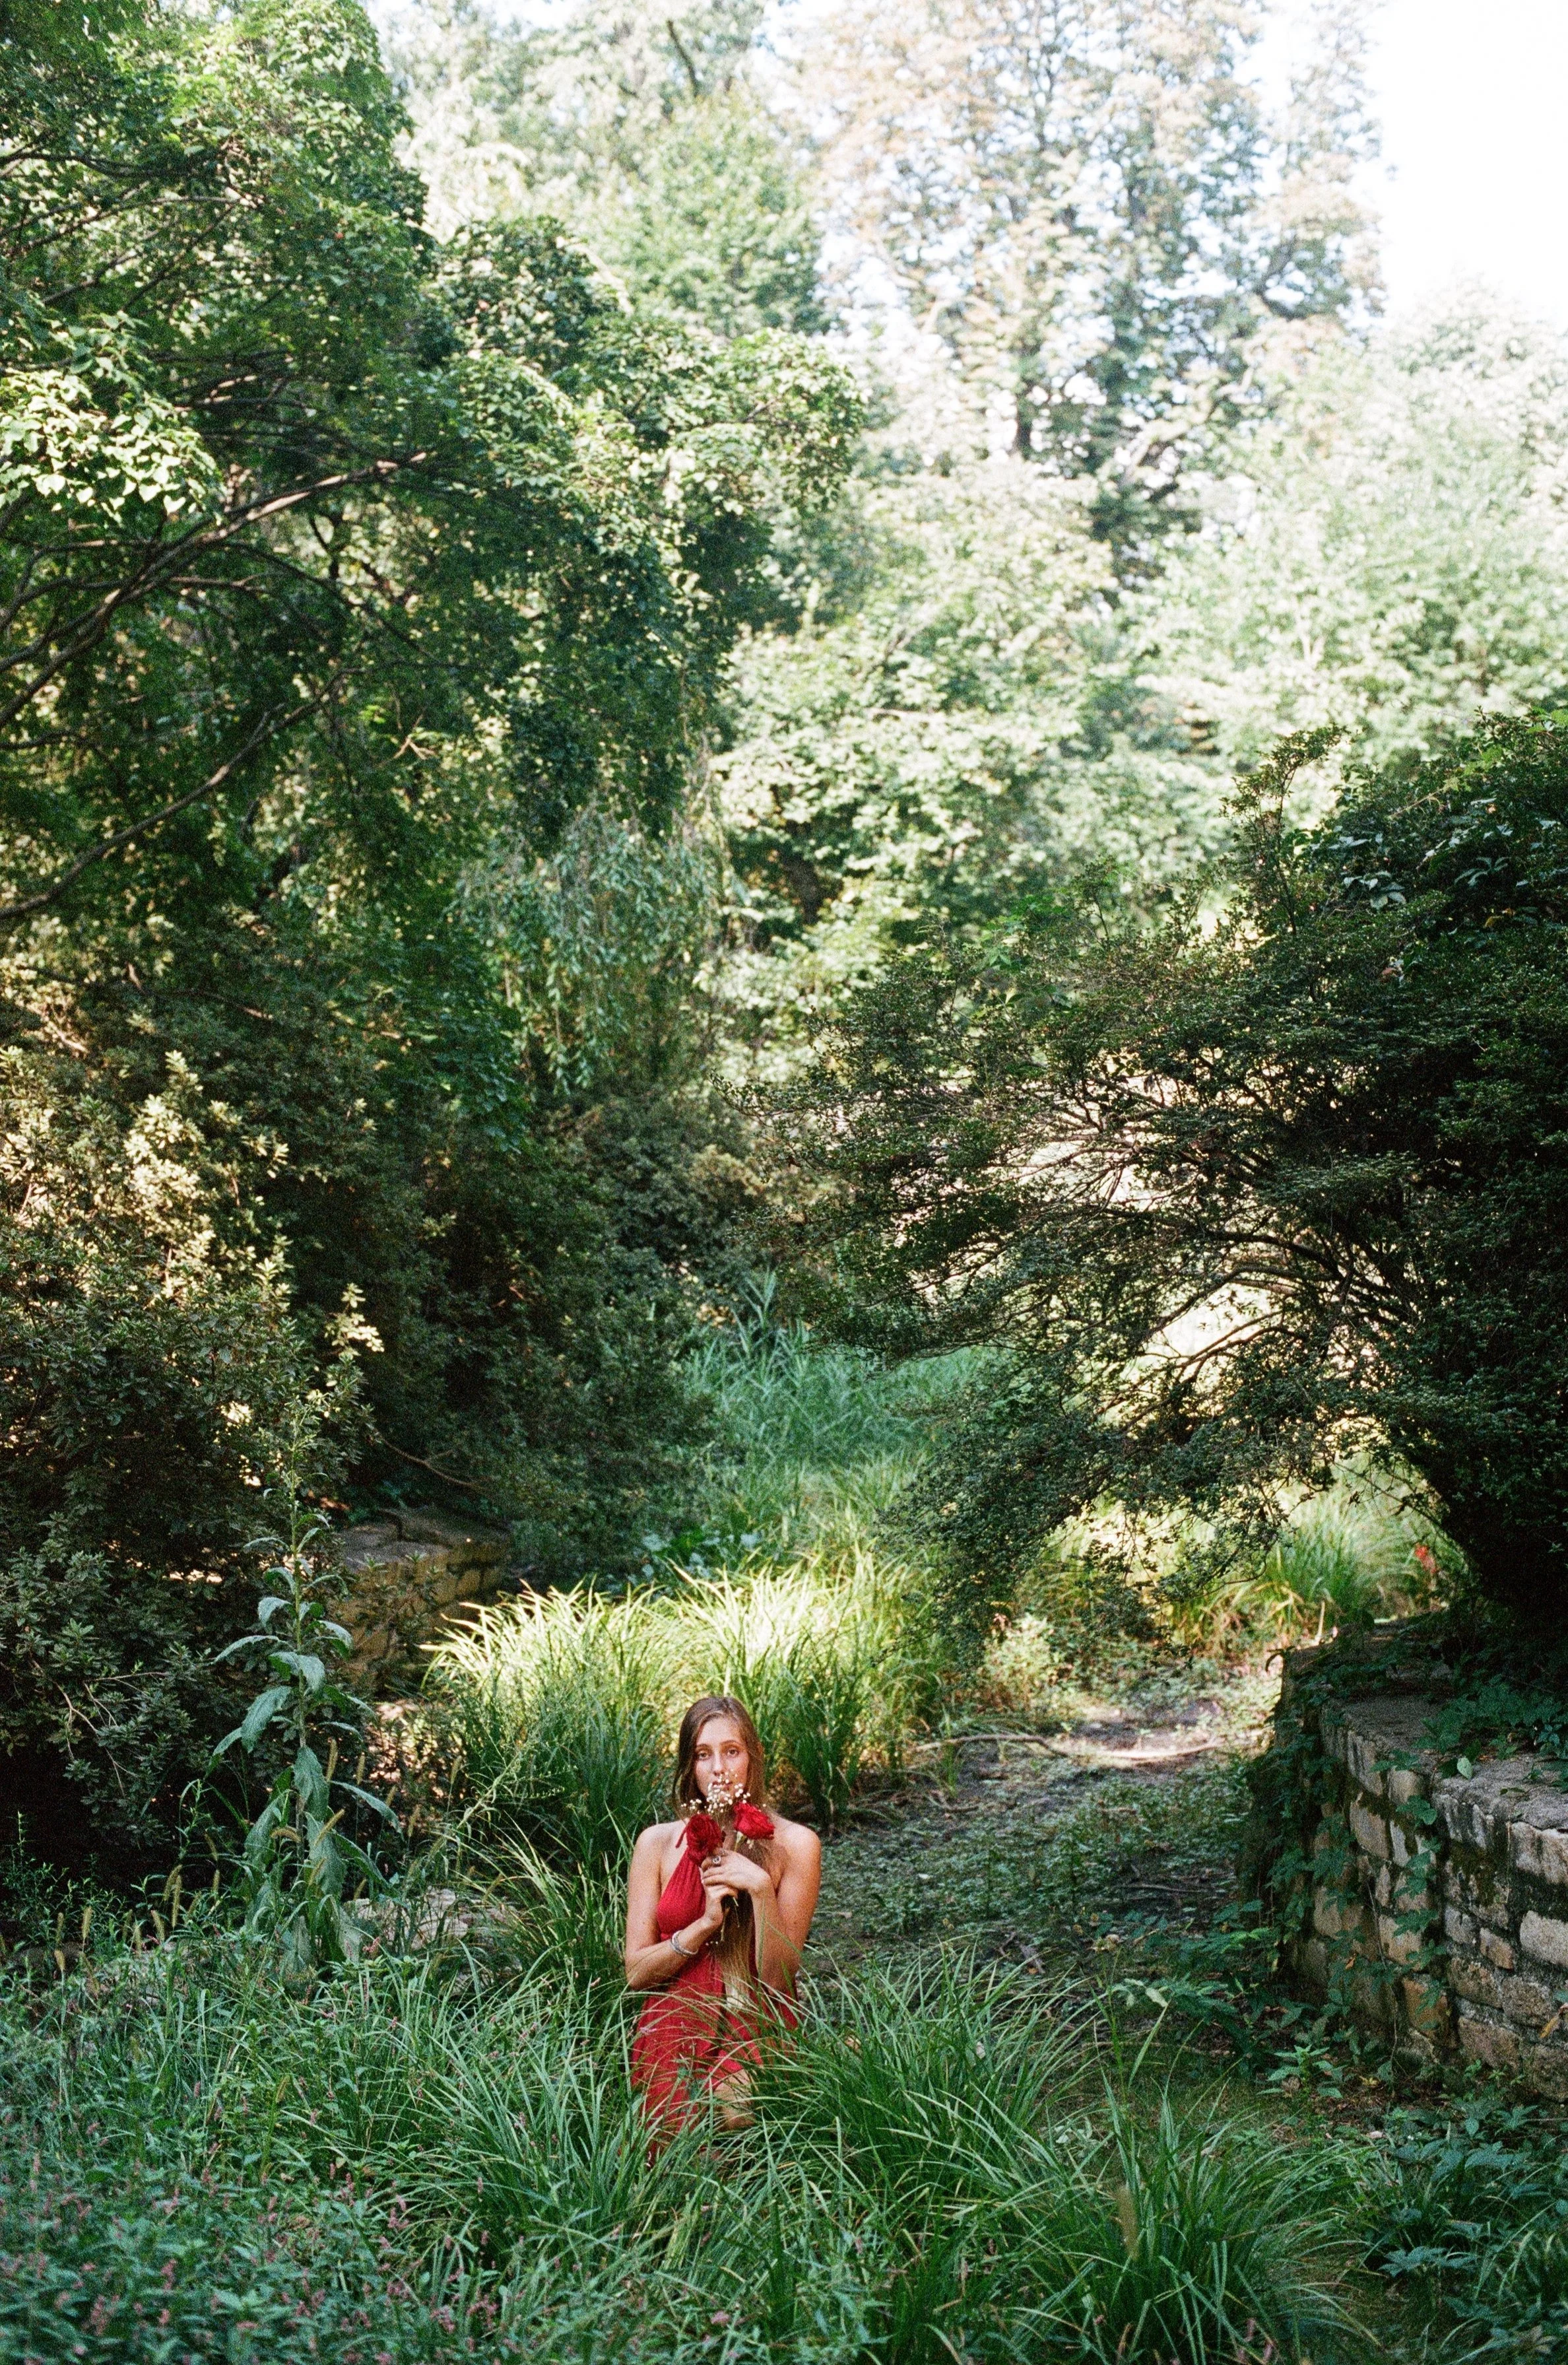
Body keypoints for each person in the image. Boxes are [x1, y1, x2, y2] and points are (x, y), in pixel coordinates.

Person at [625, 1693, 822, 2133]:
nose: (719, 1768)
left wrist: (759, 1888)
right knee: (676, 2147)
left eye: (731, 1751)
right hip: (673, 2018)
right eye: (703, 1754)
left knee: (733, 2113)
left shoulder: (796, 1844)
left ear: (753, 1757)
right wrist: (703, 1925)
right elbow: (636, 1972)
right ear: (688, 1767)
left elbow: (779, 1980)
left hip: (754, 2016)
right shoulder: (655, 1844)